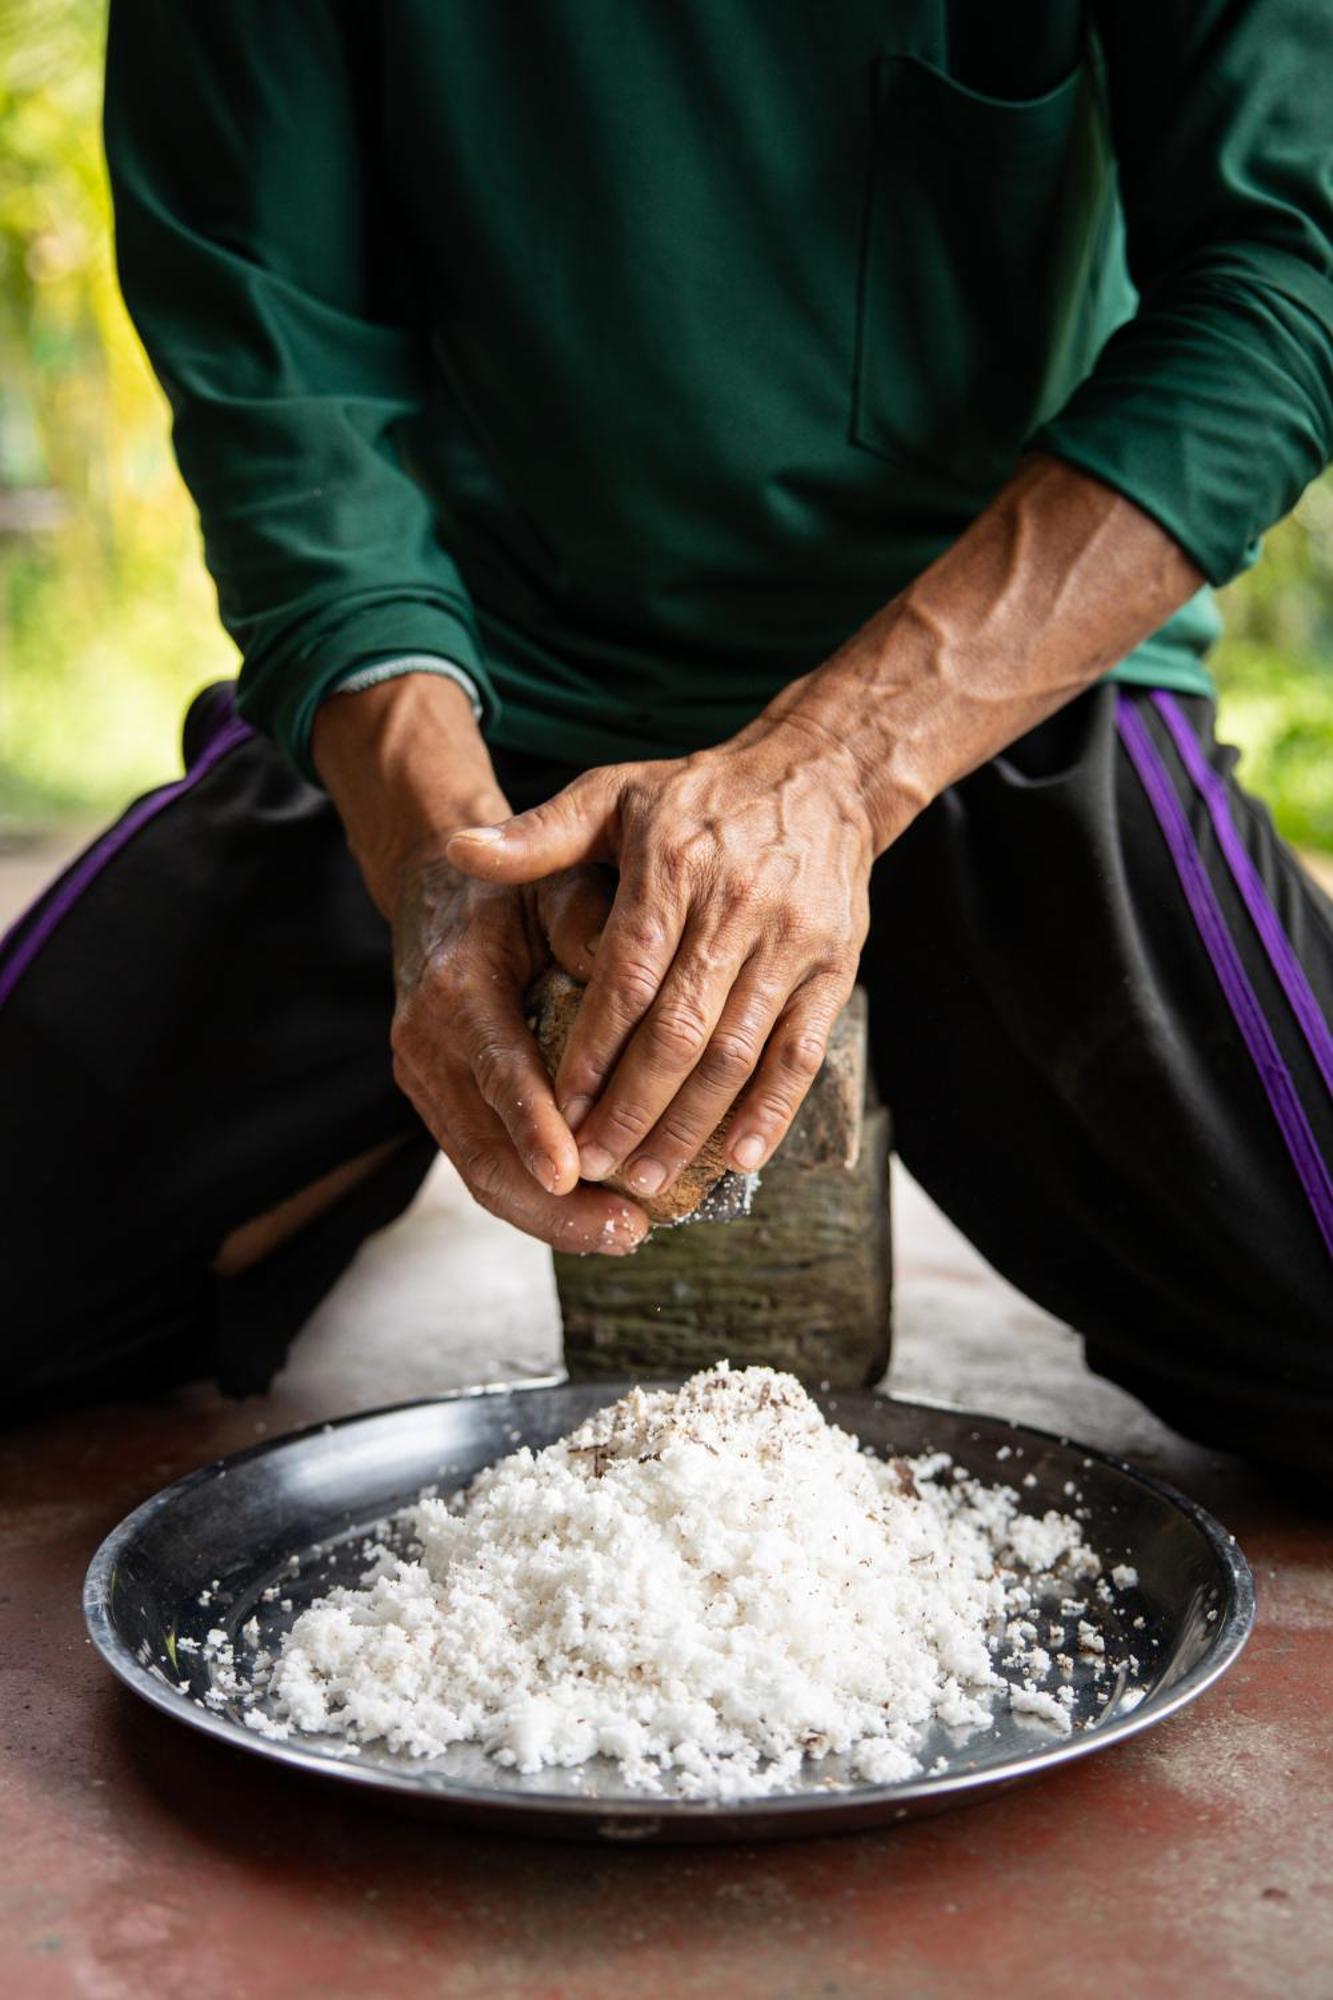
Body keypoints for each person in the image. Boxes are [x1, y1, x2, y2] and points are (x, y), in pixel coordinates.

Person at [2, 3, 1330, 1476]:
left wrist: (829, 772)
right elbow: (274, 364)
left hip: (991, 675)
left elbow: (1288, 267)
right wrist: (438, 855)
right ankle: (325, 1154)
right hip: (473, 689)